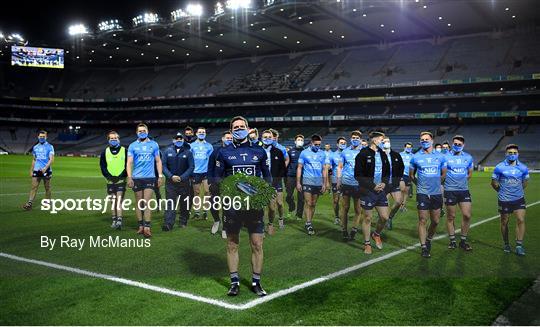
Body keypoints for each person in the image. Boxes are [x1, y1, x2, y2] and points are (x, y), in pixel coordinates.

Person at [212, 116, 271, 297]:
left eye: (242, 126)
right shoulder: (223, 153)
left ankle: (256, 282)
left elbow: (267, 178)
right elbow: (216, 179)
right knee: (232, 243)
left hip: (254, 206)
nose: (239, 129)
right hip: (233, 206)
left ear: (248, 128)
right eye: (235, 127)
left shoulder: (260, 152)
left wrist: (261, 194)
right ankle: (234, 282)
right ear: (231, 131)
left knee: (257, 244)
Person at [409, 131, 447, 258]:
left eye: (426, 139)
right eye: (422, 140)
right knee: (422, 220)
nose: (424, 141)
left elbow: (443, 174)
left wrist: (436, 183)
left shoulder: (441, 156)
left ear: (432, 140)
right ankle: (424, 247)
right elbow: (411, 175)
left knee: (435, 221)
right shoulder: (415, 156)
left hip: (436, 193)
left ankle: (429, 239)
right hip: (422, 193)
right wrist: (420, 185)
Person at [354, 131, 391, 254]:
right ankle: (367, 244)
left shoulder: (383, 154)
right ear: (374, 140)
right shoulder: (363, 154)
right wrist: (372, 186)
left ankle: (376, 234)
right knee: (368, 218)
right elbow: (358, 175)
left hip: (381, 190)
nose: (383, 142)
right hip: (367, 191)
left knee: (385, 217)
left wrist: (384, 183)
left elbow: (387, 172)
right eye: (381, 139)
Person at [491, 144, 529, 256]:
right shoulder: (499, 167)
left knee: (521, 219)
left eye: (514, 153)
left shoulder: (523, 167)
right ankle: (506, 243)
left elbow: (525, 182)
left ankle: (519, 245)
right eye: (510, 153)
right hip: (504, 200)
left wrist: (518, 191)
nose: (512, 155)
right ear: (506, 154)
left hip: (519, 199)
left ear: (518, 154)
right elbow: (493, 182)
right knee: (504, 221)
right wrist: (500, 191)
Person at [126, 123, 163, 238]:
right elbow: (129, 162)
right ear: (137, 132)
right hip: (136, 178)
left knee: (146, 202)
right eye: (140, 131)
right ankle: (140, 225)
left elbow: (158, 161)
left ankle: (147, 227)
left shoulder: (154, 144)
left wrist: (160, 175)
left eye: (144, 130)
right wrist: (129, 176)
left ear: (148, 131)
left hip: (149, 177)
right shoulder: (132, 146)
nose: (142, 132)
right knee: (139, 202)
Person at [443, 135, 474, 251]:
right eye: (455, 144)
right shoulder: (445, 157)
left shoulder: (468, 157)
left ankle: (463, 241)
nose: (457, 146)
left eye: (459, 144)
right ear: (452, 144)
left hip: (464, 190)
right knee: (451, 217)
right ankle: (452, 241)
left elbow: (470, 173)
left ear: (463, 145)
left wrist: (461, 182)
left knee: (467, 215)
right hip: (450, 191)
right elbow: (441, 173)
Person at [296, 134, 330, 236]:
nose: (318, 146)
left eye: (319, 145)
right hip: (307, 181)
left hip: (318, 182)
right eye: (316, 144)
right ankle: (309, 223)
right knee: (308, 202)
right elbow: (299, 168)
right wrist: (298, 182)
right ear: (311, 143)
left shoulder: (322, 154)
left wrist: (325, 183)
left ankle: (309, 221)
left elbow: (324, 169)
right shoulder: (304, 153)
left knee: (314, 203)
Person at [161, 132, 194, 230]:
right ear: (173, 140)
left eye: (180, 138)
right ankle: (168, 223)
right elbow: (163, 166)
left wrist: (182, 177)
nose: (179, 140)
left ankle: (183, 221)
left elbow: (191, 167)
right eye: (177, 138)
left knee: (184, 203)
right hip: (170, 183)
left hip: (184, 182)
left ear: (183, 140)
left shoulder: (188, 152)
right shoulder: (167, 151)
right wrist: (171, 176)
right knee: (170, 203)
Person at [336, 131, 363, 241]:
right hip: (346, 183)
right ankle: (344, 231)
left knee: (358, 210)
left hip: (359, 184)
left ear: (360, 139)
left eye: (357, 138)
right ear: (350, 139)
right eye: (353, 137)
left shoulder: (364, 152)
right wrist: (338, 181)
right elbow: (340, 167)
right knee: (345, 208)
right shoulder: (345, 152)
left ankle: (354, 230)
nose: (355, 139)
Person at [99, 130, 127, 230]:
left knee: (118, 200)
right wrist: (109, 176)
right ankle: (114, 219)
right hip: (110, 180)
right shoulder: (104, 152)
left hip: (121, 180)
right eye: (111, 138)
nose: (113, 140)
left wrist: (121, 175)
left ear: (118, 139)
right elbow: (103, 166)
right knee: (113, 201)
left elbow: (127, 165)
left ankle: (119, 221)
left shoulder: (125, 150)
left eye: (115, 138)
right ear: (108, 140)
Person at [208, 131, 233, 237]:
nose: (229, 140)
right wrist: (209, 181)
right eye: (227, 138)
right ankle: (217, 220)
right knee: (213, 204)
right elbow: (210, 167)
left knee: (227, 206)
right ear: (222, 139)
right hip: (216, 182)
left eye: (231, 139)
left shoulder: (235, 151)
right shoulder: (216, 151)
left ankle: (225, 228)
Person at [261, 130, 287, 232]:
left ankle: (279, 219)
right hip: (261, 183)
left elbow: (283, 169)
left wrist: (275, 182)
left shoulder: (278, 152)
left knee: (276, 205)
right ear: (261, 138)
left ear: (273, 138)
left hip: (275, 182)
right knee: (261, 206)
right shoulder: (258, 151)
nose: (267, 139)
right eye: (265, 137)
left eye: (269, 137)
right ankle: (262, 225)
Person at [23, 130, 54, 211]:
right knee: (33, 187)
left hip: (46, 170)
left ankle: (47, 203)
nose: (42, 138)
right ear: (38, 137)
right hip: (37, 170)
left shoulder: (50, 147)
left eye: (43, 136)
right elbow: (34, 159)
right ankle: (29, 204)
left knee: (47, 188)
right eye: (40, 136)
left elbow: (51, 159)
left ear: (46, 137)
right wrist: (31, 170)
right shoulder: (35, 147)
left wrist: (45, 168)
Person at [190, 127, 214, 220]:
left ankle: (205, 212)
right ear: (196, 134)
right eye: (200, 132)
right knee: (197, 192)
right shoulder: (192, 146)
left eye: (203, 132)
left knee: (208, 192)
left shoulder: (209, 146)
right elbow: (190, 160)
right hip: (195, 172)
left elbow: (211, 160)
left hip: (206, 172)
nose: (201, 133)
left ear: (205, 134)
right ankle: (196, 212)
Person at [381, 137, 405, 231]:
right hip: (383, 184)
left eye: (388, 141)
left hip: (394, 183)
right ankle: (384, 220)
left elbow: (401, 167)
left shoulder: (396, 155)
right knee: (384, 205)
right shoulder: (378, 155)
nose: (386, 143)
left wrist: (401, 179)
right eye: (384, 142)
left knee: (399, 202)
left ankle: (390, 217)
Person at [268, 129, 288, 225]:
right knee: (271, 206)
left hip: (278, 179)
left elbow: (287, 159)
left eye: (275, 137)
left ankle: (281, 218)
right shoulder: (265, 148)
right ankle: (271, 223)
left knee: (279, 203)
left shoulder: (281, 149)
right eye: (272, 137)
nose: (273, 139)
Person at [285, 134, 305, 220]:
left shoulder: (305, 152)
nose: (300, 141)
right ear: (295, 141)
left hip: (302, 177)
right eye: (298, 139)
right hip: (291, 176)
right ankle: (292, 206)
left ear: (303, 142)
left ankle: (299, 215)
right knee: (288, 195)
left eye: (301, 140)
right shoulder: (290, 152)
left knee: (301, 197)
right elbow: (287, 163)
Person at [330, 137, 347, 226]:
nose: (342, 144)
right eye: (341, 142)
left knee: (344, 202)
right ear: (337, 144)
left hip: (346, 181)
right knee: (336, 200)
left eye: (344, 143)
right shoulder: (332, 155)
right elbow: (329, 169)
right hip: (335, 181)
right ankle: (337, 217)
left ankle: (343, 218)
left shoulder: (348, 154)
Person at [399, 142, 414, 208]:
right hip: (401, 174)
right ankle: (400, 204)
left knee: (406, 191)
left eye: (410, 147)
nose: (408, 148)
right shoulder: (400, 154)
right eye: (407, 147)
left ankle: (403, 204)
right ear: (404, 147)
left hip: (409, 175)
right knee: (402, 189)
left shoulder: (413, 156)